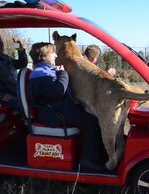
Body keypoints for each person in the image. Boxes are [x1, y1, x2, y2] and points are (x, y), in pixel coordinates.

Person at [27, 42, 108, 172]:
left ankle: (95, 153)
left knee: (91, 115)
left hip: (57, 107)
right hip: (53, 114)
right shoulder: (40, 75)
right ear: (43, 56)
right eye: (52, 52)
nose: (55, 55)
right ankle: (88, 161)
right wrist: (63, 74)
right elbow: (58, 90)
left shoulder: (44, 71)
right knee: (91, 122)